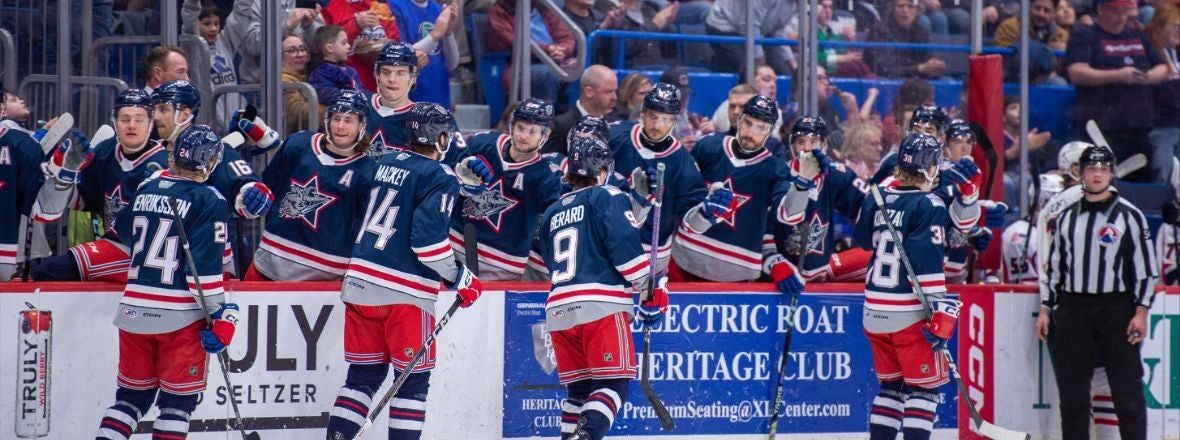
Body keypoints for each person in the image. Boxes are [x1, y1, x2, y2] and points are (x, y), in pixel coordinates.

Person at [326, 103, 482, 440]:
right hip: (405, 294)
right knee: (412, 384)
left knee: (362, 379)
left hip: (360, 283)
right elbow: (426, 242)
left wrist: (461, 189)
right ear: (440, 136)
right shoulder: (439, 176)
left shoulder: (382, 164)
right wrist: (459, 276)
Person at [93, 125, 236, 440]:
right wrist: (222, 315)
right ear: (211, 162)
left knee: (131, 400)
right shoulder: (208, 198)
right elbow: (202, 272)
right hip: (179, 320)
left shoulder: (147, 186)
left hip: (133, 311)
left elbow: (124, 230)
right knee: (177, 405)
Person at [536, 135, 666, 440]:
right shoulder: (608, 195)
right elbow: (626, 253)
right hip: (600, 307)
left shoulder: (553, 211)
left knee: (580, 392)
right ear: (604, 171)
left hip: (558, 310)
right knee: (614, 384)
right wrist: (651, 287)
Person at [1037, 145, 1159, 440]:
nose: (1098, 174)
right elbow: (1055, 267)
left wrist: (1141, 312)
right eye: (1092, 168)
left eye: (1104, 168)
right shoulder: (1065, 217)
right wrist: (1045, 309)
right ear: (1081, 173)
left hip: (1116, 309)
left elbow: (1146, 269)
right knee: (1074, 398)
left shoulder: (1130, 216)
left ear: (1112, 173)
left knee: (1127, 394)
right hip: (1073, 309)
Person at [853, 132, 959, 440]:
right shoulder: (930, 204)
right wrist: (940, 309)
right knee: (924, 392)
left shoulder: (875, 195)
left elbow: (861, 241)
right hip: (909, 316)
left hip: (874, 313)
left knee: (892, 388)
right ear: (928, 167)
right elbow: (926, 265)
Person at [30, 89, 169, 282]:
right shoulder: (105, 151)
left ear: (150, 124)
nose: (131, 125)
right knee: (45, 270)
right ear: (114, 122)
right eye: (125, 119)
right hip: (115, 245)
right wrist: (67, 175)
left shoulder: (163, 164)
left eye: (139, 119)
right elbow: (79, 202)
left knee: (50, 270)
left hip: (145, 254)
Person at [246, 92, 377, 281]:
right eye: (336, 118)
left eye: (349, 120)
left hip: (325, 278)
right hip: (269, 261)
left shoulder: (367, 172)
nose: (340, 126)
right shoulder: (298, 145)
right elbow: (268, 188)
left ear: (361, 126)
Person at [670, 94, 791, 283]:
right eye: (748, 123)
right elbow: (681, 198)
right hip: (686, 256)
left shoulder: (776, 170)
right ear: (739, 120)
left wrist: (802, 187)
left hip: (738, 272)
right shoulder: (708, 147)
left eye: (761, 128)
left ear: (769, 132)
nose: (751, 133)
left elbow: (783, 217)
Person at [448, 98, 564, 280]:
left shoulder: (546, 175)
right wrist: (458, 174)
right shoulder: (482, 143)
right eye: (520, 127)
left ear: (546, 135)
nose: (523, 136)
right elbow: (443, 179)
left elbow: (557, 218)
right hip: (455, 246)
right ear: (511, 125)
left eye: (532, 131)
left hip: (501, 266)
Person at [607, 82, 716, 272]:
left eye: (666, 119)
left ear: (674, 121)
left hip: (650, 255)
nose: (657, 125)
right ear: (642, 114)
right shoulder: (614, 135)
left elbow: (689, 220)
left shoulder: (682, 161)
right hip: (606, 243)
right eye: (653, 117)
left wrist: (706, 214)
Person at [1066, 0, 1170, 182]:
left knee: (1142, 185)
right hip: (1103, 127)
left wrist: (1149, 76)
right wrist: (1117, 75)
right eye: (1116, 11)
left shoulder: (1137, 34)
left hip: (1139, 125)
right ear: (1101, 9)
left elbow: (1163, 67)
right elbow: (1076, 72)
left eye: (1125, 11)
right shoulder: (1086, 36)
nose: (1121, 17)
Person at [774, 116, 874, 283]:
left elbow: (870, 209)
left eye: (813, 142)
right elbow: (786, 216)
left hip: (823, 274)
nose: (807, 148)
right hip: (783, 274)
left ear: (825, 146)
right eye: (801, 142)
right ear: (792, 147)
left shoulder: (837, 175)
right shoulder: (779, 175)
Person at [486, 0, 577, 102]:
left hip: (554, 61)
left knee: (584, 70)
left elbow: (566, 36)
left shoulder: (544, 8)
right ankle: (542, 116)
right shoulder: (498, 12)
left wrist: (563, 50)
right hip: (519, 65)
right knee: (545, 74)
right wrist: (548, 50)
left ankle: (577, 115)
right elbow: (514, 43)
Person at [0, 95, 46, 281]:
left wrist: (62, 181)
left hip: (7, 252)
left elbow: (44, 208)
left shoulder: (23, 145)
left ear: (2, 108)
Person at [181, 0, 247, 124]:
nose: (213, 28)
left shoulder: (224, 43)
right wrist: (192, 3)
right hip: (209, 122)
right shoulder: (192, 47)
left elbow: (240, 15)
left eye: (216, 24)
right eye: (207, 24)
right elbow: (189, 18)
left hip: (234, 119)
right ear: (197, 24)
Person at [389, 0, 462, 107]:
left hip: (440, 101)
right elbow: (397, 59)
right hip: (411, 105)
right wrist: (434, 35)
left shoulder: (437, 8)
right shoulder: (395, 6)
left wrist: (448, 33)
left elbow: (452, 64)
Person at [705, 0, 797, 74]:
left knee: (783, 71)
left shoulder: (796, 4)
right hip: (723, 25)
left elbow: (777, 29)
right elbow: (749, 26)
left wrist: (791, 63)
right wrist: (760, 61)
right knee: (748, 73)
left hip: (752, 31)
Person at [544, 65, 618, 156]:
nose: (614, 97)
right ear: (589, 92)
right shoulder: (560, 125)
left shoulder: (615, 125)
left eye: (615, 91)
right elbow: (551, 164)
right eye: (608, 92)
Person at [865, 0, 947, 79]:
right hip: (891, 78)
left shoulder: (920, 32)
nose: (905, 10)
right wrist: (919, 68)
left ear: (917, 10)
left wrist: (935, 67)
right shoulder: (879, 30)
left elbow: (927, 59)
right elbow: (883, 69)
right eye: (900, 6)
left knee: (946, 80)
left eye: (910, 6)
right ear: (892, 9)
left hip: (915, 77)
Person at [366, 42, 422, 156]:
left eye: (400, 73)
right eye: (386, 72)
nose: (392, 79)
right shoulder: (360, 105)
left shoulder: (426, 119)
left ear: (413, 78)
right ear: (377, 75)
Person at [1146, 4, 1179, 183]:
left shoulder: (1173, 52)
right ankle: (1161, 188)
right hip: (1160, 123)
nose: (1179, 30)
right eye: (1175, 26)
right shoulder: (1150, 54)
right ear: (1159, 27)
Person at [710, 65, 785, 138]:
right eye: (767, 80)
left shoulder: (777, 111)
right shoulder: (729, 105)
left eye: (775, 81)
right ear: (750, 81)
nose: (773, 85)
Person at [308, 25, 368, 109]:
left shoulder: (351, 70)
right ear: (330, 48)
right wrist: (351, 97)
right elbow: (324, 92)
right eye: (344, 43)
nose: (348, 46)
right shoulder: (321, 71)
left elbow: (362, 90)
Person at [282, 33, 314, 135]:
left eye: (302, 49)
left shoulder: (309, 75)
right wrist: (332, 110)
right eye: (291, 51)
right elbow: (299, 114)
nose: (300, 54)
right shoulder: (282, 80)